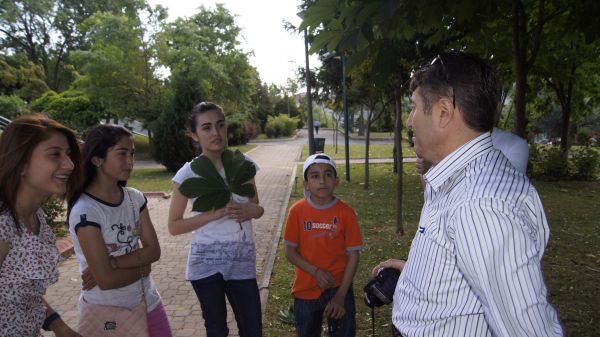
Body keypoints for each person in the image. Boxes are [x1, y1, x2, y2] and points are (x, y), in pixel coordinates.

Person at [374, 51, 563, 336]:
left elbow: (528, 330)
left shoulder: (480, 204)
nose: (410, 121)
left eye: (413, 108)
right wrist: (414, 273)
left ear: (443, 112)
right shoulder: (456, 176)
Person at [168, 102, 264, 337]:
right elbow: (174, 226)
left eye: (220, 125)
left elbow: (257, 208)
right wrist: (214, 214)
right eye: (207, 127)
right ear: (194, 135)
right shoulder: (188, 173)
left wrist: (251, 211)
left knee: (252, 328)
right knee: (217, 330)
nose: (216, 133)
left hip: (242, 260)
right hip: (206, 263)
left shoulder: (244, 165)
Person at [67, 124, 172, 336]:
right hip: (106, 312)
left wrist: (113, 263)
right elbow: (106, 281)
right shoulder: (86, 210)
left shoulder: (135, 198)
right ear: (97, 159)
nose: (131, 161)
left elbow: (154, 251)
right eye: (122, 153)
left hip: (148, 302)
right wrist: (143, 268)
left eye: (131, 153)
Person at [0, 114, 82, 337]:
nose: (69, 164)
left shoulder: (35, 216)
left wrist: (58, 324)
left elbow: (19, 290)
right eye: (55, 154)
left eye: (68, 154)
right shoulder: (3, 225)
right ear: (21, 164)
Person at [284, 153, 363, 337]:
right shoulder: (297, 211)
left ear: (336, 181)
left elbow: (353, 255)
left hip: (339, 288)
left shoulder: (346, 213)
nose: (322, 181)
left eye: (328, 175)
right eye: (315, 176)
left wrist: (341, 295)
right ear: (306, 183)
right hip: (305, 290)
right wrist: (316, 272)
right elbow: (290, 252)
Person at [416, 126, 529, 175]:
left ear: (497, 106)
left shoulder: (516, 145)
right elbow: (434, 199)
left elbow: (506, 187)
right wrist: (428, 169)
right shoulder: (452, 141)